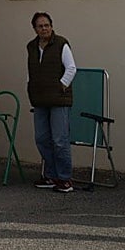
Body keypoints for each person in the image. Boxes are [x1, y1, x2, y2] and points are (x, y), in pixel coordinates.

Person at [26, 12, 77, 193]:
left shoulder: (61, 43)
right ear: (35, 29)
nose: (44, 28)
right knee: (42, 139)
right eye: (40, 26)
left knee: (59, 140)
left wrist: (61, 86)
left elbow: (71, 68)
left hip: (58, 100)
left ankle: (64, 178)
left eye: (47, 25)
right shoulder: (31, 47)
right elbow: (31, 70)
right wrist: (30, 86)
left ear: (52, 26)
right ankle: (50, 174)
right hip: (39, 99)